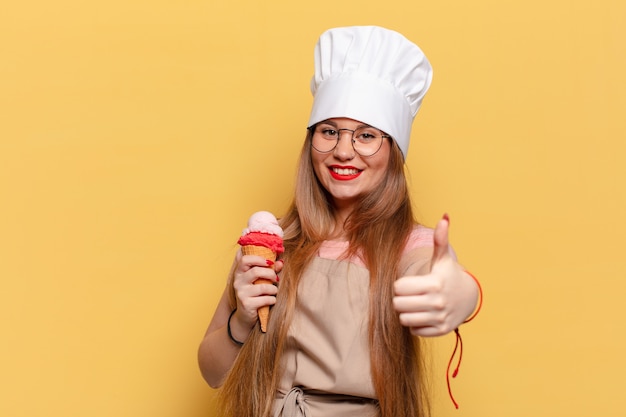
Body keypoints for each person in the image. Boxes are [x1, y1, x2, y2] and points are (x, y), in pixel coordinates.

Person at [198, 26, 481, 417]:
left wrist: (457, 292)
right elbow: (212, 372)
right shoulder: (273, 242)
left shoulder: (409, 244)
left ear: (394, 151)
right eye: (329, 131)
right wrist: (242, 320)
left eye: (366, 135)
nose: (343, 151)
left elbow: (439, 276)